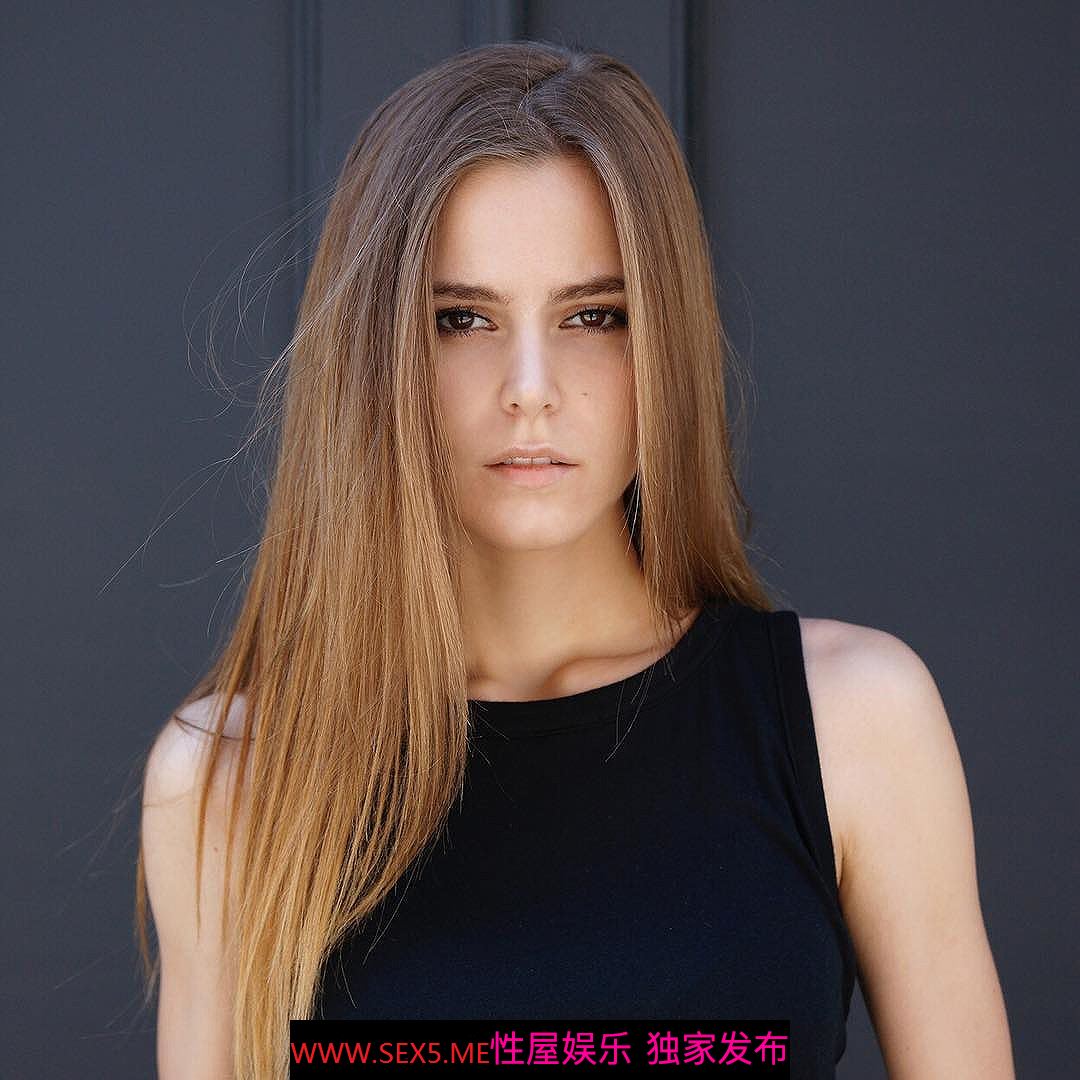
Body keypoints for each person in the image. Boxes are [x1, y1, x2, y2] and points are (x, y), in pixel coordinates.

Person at [135, 40, 1015, 1080]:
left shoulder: (852, 724)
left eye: (593, 315)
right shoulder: (232, 781)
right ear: (374, 357)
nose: (530, 387)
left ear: (665, 340)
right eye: (461, 319)